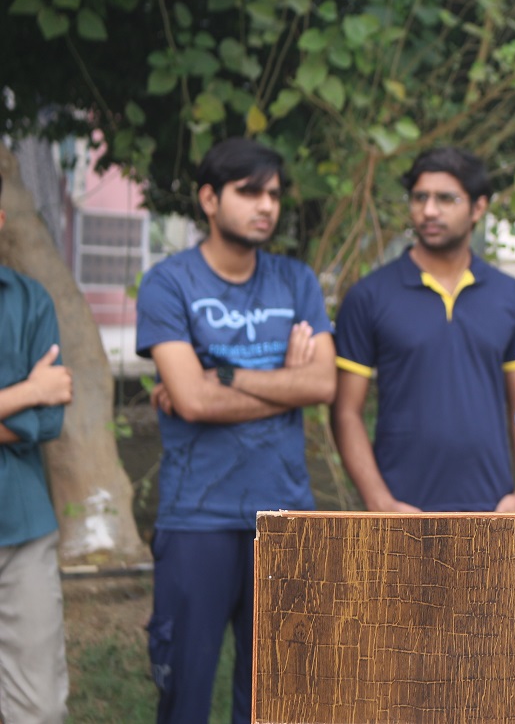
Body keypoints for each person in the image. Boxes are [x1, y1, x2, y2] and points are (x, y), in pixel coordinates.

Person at [135, 139, 336, 724]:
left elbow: (322, 383)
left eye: (272, 193)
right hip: (196, 518)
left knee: (275, 702)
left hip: (284, 515)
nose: (266, 205)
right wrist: (282, 384)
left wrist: (225, 374)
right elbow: (193, 402)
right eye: (249, 192)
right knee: (184, 699)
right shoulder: (169, 283)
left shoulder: (295, 281)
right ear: (208, 198)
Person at [332, 147, 515, 513]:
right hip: (403, 512)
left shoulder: (507, 295)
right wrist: (380, 502)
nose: (429, 211)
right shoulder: (370, 295)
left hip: (494, 512)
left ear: (479, 207)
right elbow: (346, 412)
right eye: (420, 198)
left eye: (446, 199)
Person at [0, 173, 73, 724]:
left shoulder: (30, 301)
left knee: (39, 709)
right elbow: (37, 404)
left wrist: (36, 404)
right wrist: (24, 393)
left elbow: (49, 420)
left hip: (20, 524)